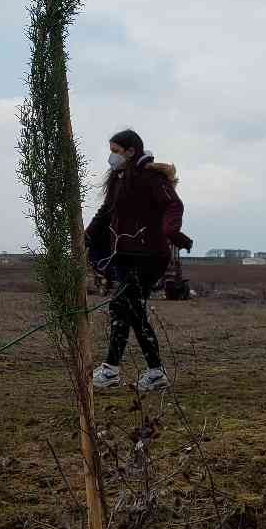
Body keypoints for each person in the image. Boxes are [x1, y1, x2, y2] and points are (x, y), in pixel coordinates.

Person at [86, 130, 193, 392]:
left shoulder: (151, 178)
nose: (111, 157)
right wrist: (87, 236)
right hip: (124, 254)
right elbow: (106, 210)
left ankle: (151, 372)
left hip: (148, 255)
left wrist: (171, 231)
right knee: (123, 308)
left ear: (131, 151)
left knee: (128, 307)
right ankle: (115, 371)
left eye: (116, 151)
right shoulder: (120, 179)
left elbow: (173, 205)